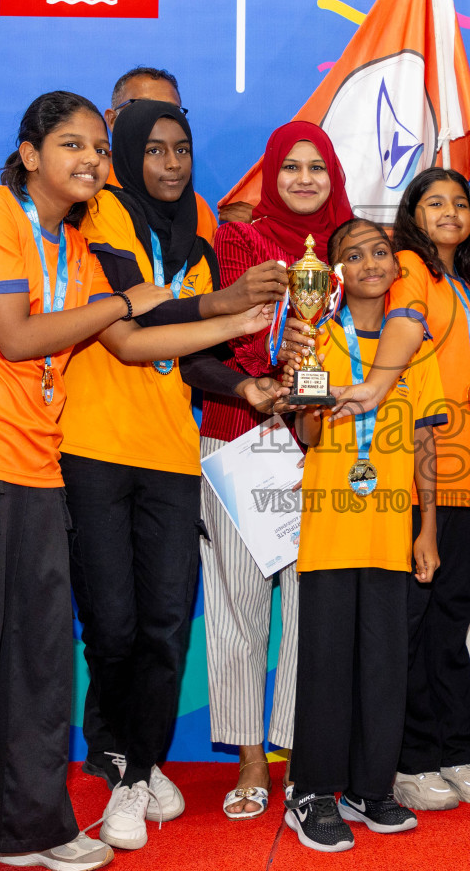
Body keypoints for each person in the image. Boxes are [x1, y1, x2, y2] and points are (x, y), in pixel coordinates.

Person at [0, 91, 272, 871]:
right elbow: (18, 335)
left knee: (39, 657)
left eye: (96, 147)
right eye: (72, 145)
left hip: (36, 463)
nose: (91, 159)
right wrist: (130, 300)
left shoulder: (79, 248)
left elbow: (128, 343)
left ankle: (28, 829)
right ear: (30, 155)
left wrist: (236, 322)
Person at [59, 100, 288, 848]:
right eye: (154, 150)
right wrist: (230, 309)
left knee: (164, 626)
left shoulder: (198, 233)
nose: (170, 164)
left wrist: (243, 386)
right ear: (127, 154)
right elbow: (138, 325)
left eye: (182, 150)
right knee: (113, 626)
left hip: (168, 454)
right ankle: (121, 757)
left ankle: (136, 777)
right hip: (94, 446)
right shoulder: (102, 215)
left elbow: (187, 351)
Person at [198, 121, 362, 819]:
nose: (303, 179)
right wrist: (278, 342)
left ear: (334, 177)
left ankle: (299, 753)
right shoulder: (238, 239)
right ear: (270, 171)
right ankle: (248, 762)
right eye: (289, 166)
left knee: (310, 611)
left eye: (316, 168)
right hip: (243, 436)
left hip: (323, 450)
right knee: (237, 606)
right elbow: (224, 339)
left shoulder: (354, 251)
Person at [283, 219, 448, 853]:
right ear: (334, 273)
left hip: (389, 532)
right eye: (354, 255)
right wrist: (306, 392)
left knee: (384, 665)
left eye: (380, 251)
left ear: (395, 266)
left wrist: (427, 526)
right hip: (329, 526)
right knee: (327, 662)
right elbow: (309, 436)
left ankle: (368, 783)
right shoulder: (316, 336)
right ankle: (313, 791)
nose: (371, 262)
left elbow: (429, 442)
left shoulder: (416, 347)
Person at [386, 168, 470, 810]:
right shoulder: (407, 268)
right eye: (434, 202)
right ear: (413, 213)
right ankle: (411, 759)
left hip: (466, 478)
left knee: (451, 619)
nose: (450, 211)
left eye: (461, 202)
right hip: (414, 479)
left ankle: (458, 749)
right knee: (413, 623)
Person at [101, 66, 217, 239]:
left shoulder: (196, 208)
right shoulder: (88, 192)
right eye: (143, 107)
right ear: (112, 120)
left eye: (172, 111)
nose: (158, 117)